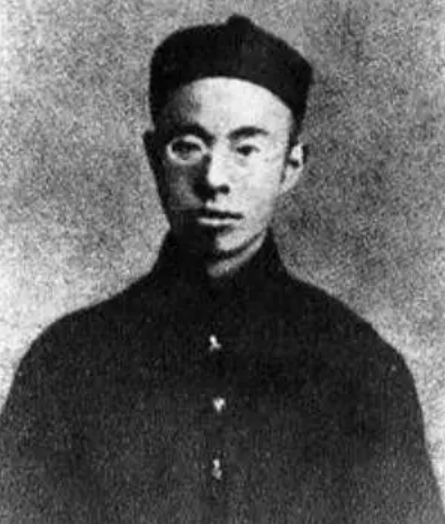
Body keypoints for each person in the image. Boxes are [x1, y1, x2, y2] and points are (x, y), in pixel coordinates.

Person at [0, 14, 443, 524]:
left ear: (291, 167)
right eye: (187, 147)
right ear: (153, 158)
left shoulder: (361, 369)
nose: (214, 178)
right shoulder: (66, 364)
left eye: (247, 148)